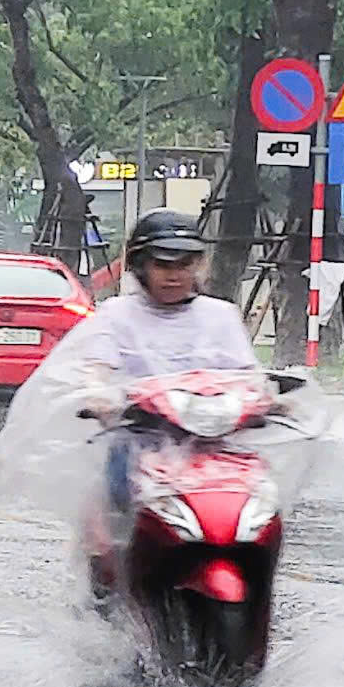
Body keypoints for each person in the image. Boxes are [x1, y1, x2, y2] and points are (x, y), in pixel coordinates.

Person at [62, 209, 261, 519]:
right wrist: (98, 393)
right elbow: (97, 368)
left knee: (258, 502)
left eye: (185, 264)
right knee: (121, 495)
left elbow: (249, 377)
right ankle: (121, 555)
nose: (175, 275)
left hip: (213, 443)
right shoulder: (117, 314)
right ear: (140, 266)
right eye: (163, 264)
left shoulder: (220, 315)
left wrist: (270, 401)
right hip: (141, 444)